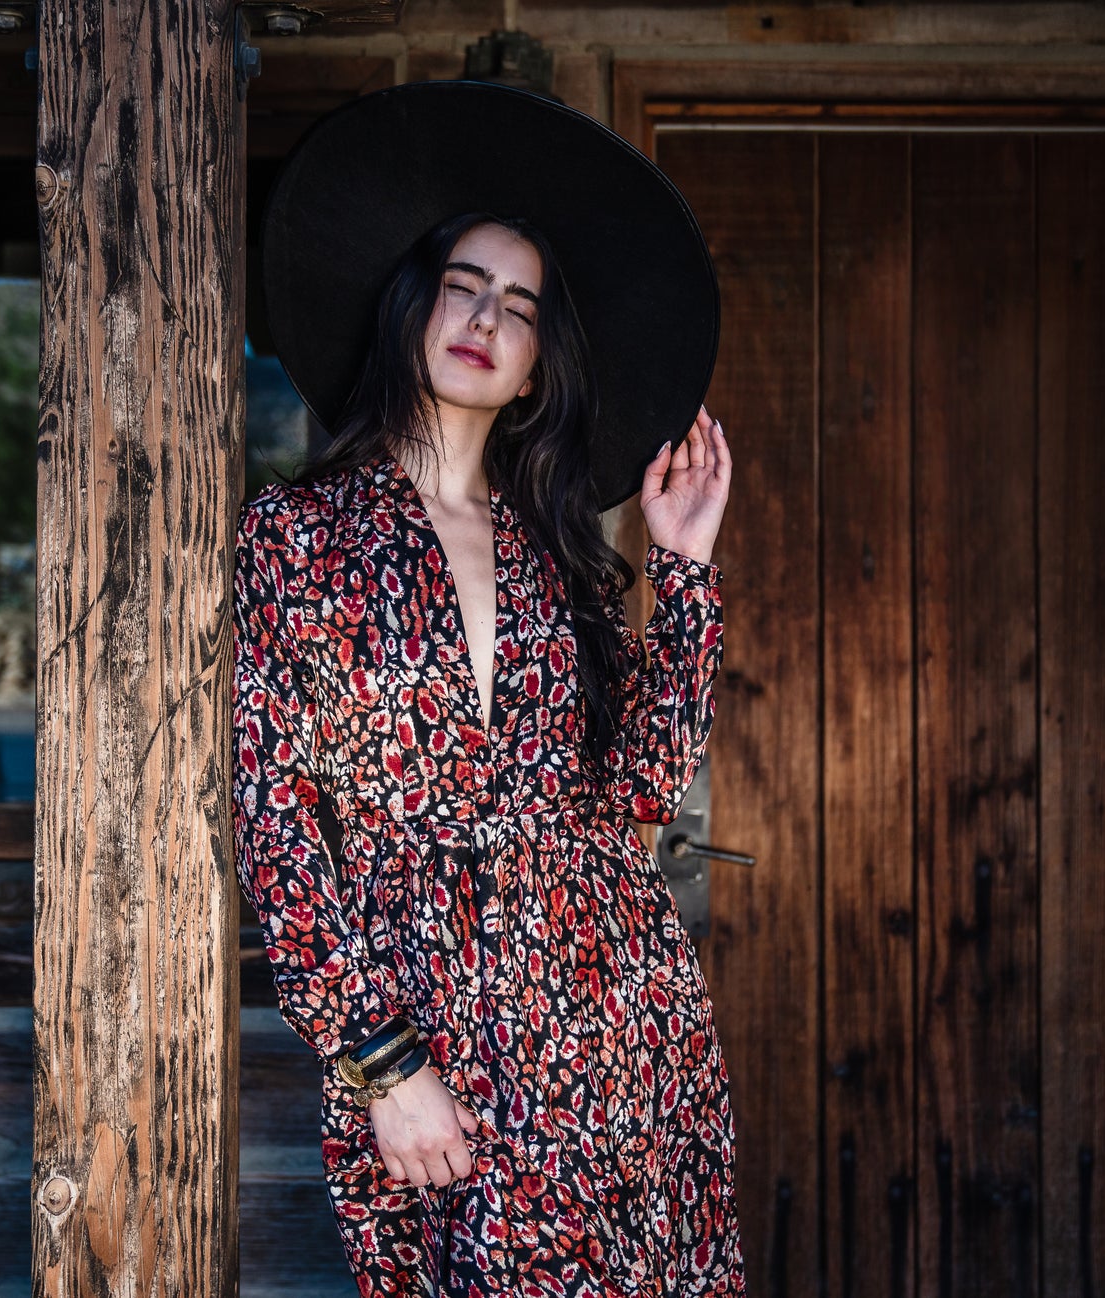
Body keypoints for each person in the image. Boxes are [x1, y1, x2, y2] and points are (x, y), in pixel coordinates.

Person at [233, 81, 744, 1296]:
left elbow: (632, 800)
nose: (485, 314)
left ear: (530, 370)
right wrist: (380, 1061)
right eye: (463, 283)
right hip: (432, 1016)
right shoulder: (297, 536)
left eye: (518, 306)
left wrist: (677, 569)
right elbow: (276, 822)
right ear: (413, 307)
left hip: (614, 1009)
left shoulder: (555, 551)